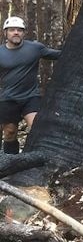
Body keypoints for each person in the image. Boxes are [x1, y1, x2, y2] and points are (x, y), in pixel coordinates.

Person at [0, 16, 61, 154]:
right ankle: (12, 161)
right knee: (10, 132)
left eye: (19, 30)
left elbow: (58, 55)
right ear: (5, 33)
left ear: (23, 33)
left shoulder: (35, 48)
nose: (16, 32)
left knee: (35, 126)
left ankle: (36, 157)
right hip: (8, 98)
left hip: (30, 96)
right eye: (12, 30)